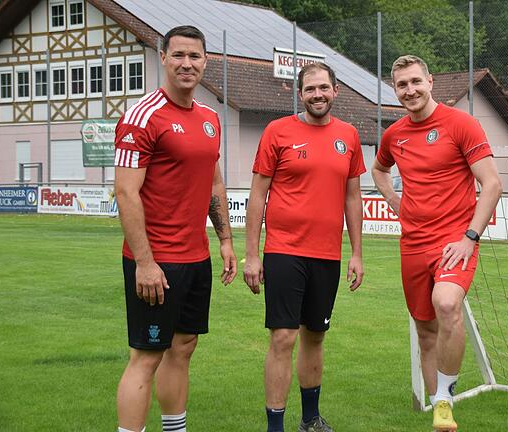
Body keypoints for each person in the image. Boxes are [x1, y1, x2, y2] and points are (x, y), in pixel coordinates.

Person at [113, 25, 237, 432]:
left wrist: (224, 240)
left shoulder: (210, 118)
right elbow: (127, 194)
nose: (187, 64)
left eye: (195, 56)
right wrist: (145, 264)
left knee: (183, 347)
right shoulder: (142, 115)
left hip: (196, 257)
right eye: (179, 55)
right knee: (146, 356)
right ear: (162, 57)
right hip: (156, 262)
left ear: (206, 62)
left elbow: (214, 181)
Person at [371, 55, 503, 432]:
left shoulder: (461, 123)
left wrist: (469, 238)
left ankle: (444, 394)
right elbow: (379, 169)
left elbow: (492, 185)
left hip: (454, 242)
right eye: (401, 85)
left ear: (430, 81)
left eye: (415, 81)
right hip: (412, 244)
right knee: (425, 330)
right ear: (395, 90)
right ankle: (440, 411)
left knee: (446, 304)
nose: (410, 90)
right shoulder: (394, 134)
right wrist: (395, 202)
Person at [243, 62, 365, 432]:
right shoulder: (278, 131)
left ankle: (310, 420)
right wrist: (252, 254)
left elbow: (353, 197)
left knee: (316, 335)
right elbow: (258, 194)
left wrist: (357, 252)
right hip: (284, 251)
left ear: (335, 90)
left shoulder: (349, 135)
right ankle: (275, 427)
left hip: (327, 254)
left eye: (324, 88)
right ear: (301, 94)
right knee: (283, 337)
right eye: (310, 89)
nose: (318, 95)